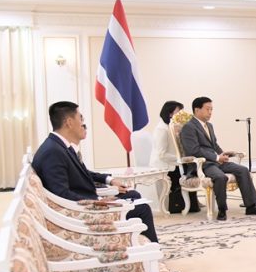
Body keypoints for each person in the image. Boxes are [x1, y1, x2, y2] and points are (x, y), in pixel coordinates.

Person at [31, 101, 160, 244]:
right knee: (142, 208)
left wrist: (109, 180)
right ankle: (151, 248)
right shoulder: (53, 152)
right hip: (82, 213)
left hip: (86, 203)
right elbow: (62, 194)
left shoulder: (58, 146)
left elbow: (82, 172)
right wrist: (98, 202)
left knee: (133, 195)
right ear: (69, 122)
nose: (83, 123)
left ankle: (138, 243)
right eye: (80, 118)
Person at [180, 96, 256, 221]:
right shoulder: (188, 127)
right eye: (207, 109)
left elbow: (214, 145)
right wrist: (217, 157)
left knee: (243, 170)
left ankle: (251, 206)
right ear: (197, 110)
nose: (210, 112)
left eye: (211, 109)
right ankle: (222, 210)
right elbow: (194, 150)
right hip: (203, 164)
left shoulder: (209, 125)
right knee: (220, 177)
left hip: (215, 162)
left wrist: (223, 155)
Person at [150, 100, 201, 214]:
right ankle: (180, 204)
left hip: (174, 162)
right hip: (165, 165)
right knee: (188, 171)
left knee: (193, 167)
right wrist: (180, 159)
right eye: (178, 112)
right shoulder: (162, 129)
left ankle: (193, 202)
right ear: (170, 113)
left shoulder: (172, 127)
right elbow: (162, 154)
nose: (181, 114)